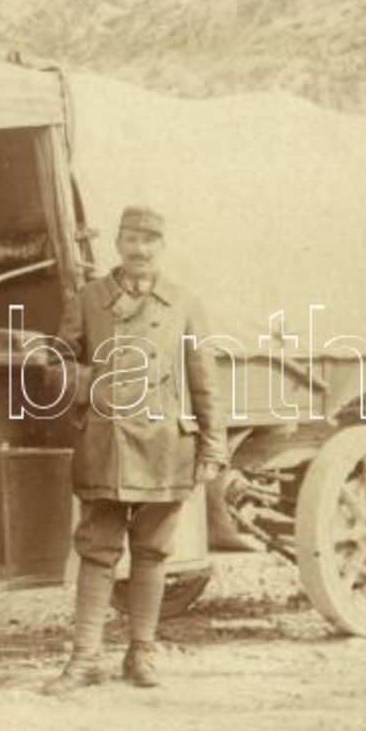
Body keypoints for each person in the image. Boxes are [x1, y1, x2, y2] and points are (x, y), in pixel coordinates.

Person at [43, 205, 226, 694]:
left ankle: (141, 657)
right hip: (107, 444)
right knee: (97, 552)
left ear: (161, 248)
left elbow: (204, 381)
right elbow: (55, 366)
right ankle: (84, 660)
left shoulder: (184, 304)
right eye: (131, 239)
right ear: (117, 244)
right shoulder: (88, 300)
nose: (139, 249)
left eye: (149, 241)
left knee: (151, 553)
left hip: (166, 445)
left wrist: (213, 446)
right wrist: (94, 386)